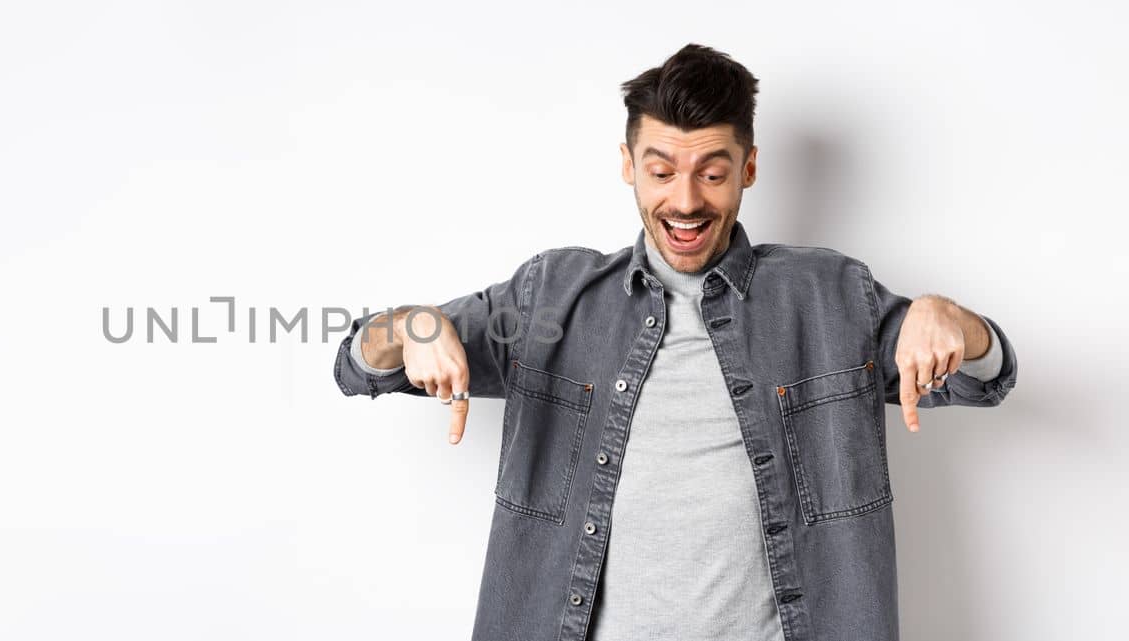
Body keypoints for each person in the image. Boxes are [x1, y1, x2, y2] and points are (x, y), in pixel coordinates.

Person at [330, 43, 1017, 641]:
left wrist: (949, 317)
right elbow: (358, 362)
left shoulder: (830, 296)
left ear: (748, 169)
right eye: (662, 171)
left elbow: (984, 375)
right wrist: (413, 325)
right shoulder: (552, 295)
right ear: (628, 165)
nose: (685, 201)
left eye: (712, 173)